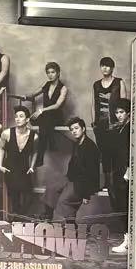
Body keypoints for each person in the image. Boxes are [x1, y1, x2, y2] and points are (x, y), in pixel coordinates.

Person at [45, 117, 101, 223]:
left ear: (83, 129)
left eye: (76, 128)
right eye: (71, 129)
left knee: (64, 200)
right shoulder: (77, 143)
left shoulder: (90, 147)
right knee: (51, 188)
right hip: (71, 178)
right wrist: (65, 181)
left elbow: (92, 173)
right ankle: (47, 219)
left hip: (83, 183)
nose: (74, 131)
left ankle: (71, 226)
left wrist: (86, 195)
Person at [91, 57, 126, 190]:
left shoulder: (119, 82)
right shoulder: (96, 85)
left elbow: (125, 105)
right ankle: (107, 183)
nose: (105, 68)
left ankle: (118, 183)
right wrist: (94, 123)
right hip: (101, 125)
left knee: (116, 153)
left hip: (116, 125)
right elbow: (93, 105)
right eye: (102, 66)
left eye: (107, 66)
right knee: (104, 154)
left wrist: (122, 123)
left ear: (112, 68)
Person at [0, 105, 38, 219]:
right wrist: (0, 165)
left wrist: (32, 166)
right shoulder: (7, 133)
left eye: (21, 116)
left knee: (29, 198)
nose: (18, 119)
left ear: (27, 119)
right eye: (16, 116)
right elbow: (1, 148)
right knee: (14, 199)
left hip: (25, 170)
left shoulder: (34, 136)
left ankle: (19, 218)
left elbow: (35, 152)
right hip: (10, 170)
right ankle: (16, 220)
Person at [32, 61, 69, 166]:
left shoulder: (63, 88)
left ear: (58, 73)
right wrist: (25, 96)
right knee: (33, 120)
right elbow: (34, 94)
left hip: (56, 116)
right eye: (48, 72)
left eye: (53, 72)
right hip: (46, 118)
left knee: (44, 122)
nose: (50, 75)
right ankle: (52, 142)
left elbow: (57, 105)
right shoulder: (46, 85)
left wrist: (41, 110)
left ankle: (39, 158)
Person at [104, 99, 131, 215]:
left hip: (125, 168)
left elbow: (129, 150)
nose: (119, 115)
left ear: (128, 113)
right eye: (117, 113)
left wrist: (128, 169)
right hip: (118, 167)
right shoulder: (120, 127)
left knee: (123, 199)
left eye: (121, 112)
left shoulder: (129, 128)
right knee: (118, 197)